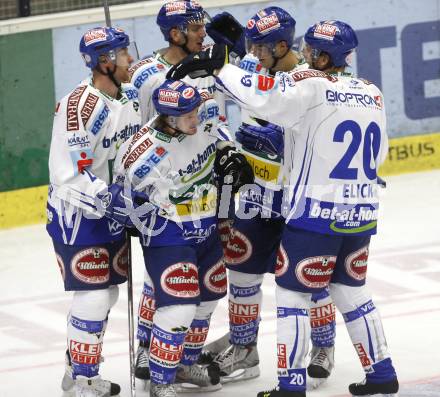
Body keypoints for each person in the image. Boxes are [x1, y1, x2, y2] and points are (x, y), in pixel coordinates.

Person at [167, 19, 399, 397]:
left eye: (311, 50)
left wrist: (221, 66)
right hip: (360, 212)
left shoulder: (310, 83)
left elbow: (266, 98)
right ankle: (382, 372)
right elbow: (382, 151)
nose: (305, 55)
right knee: (351, 291)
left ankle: (291, 385)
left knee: (292, 295)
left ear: (325, 56)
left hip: (315, 212)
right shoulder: (371, 92)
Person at [199, 7, 336, 389]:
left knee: (309, 277)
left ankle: (323, 345)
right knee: (241, 271)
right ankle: (244, 349)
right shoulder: (252, 62)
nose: (252, 53)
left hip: (298, 196)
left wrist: (286, 140)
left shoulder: (312, 81)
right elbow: (228, 80)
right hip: (252, 195)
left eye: (260, 47)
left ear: (281, 45)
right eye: (251, 45)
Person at [113, 79, 253, 397]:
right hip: (169, 235)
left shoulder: (200, 117)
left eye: (196, 111)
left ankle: (183, 364)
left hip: (207, 225)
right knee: (178, 309)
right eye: (188, 115)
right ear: (169, 118)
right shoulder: (141, 152)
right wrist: (131, 212)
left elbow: (219, 130)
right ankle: (161, 380)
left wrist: (231, 157)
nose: (196, 118)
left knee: (210, 297)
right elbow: (117, 198)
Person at [128, 0, 237, 387]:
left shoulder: (211, 65)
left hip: (208, 188)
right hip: (166, 191)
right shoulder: (144, 75)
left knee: (207, 284)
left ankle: (183, 358)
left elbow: (217, 120)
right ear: (174, 34)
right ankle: (148, 346)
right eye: (194, 28)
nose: (202, 33)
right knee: (164, 281)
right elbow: (134, 131)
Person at [46, 27, 144, 396]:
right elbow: (71, 172)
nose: (130, 59)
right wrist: (110, 199)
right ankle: (83, 381)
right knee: (95, 296)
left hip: (109, 210)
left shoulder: (128, 96)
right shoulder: (78, 106)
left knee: (110, 293)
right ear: (104, 61)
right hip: (77, 212)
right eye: (123, 54)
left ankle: (76, 368)